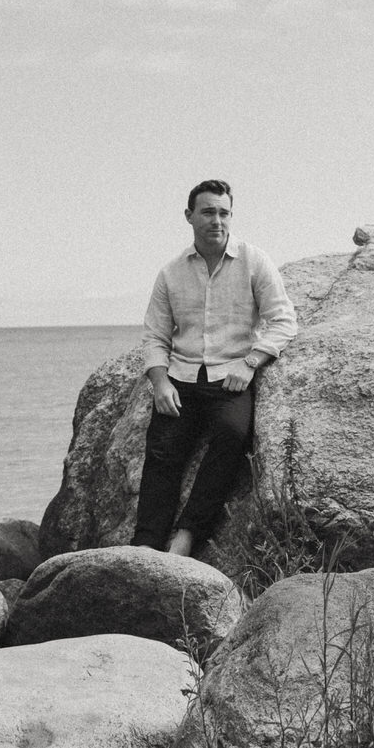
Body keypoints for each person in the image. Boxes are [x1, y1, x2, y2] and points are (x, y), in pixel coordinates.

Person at [131, 179, 297, 556]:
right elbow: (155, 336)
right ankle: (144, 545)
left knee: (232, 436)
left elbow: (284, 319)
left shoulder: (254, 261)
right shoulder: (171, 273)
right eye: (207, 212)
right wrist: (160, 382)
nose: (216, 221)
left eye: (223, 213)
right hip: (182, 377)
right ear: (189, 216)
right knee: (161, 452)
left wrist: (252, 361)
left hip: (230, 379)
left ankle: (188, 535)